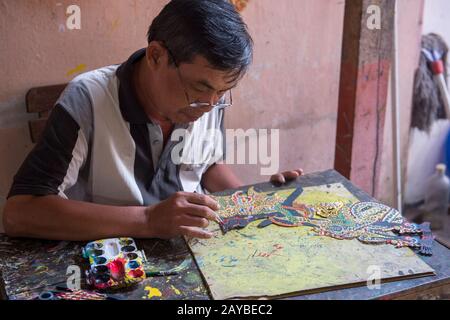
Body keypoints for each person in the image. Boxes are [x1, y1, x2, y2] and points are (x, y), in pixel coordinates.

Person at [3, 0, 302, 241]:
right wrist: (148, 220)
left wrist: (252, 203)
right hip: (112, 258)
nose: (211, 105)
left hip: (187, 247)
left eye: (223, 92)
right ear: (156, 56)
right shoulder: (88, 99)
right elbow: (20, 213)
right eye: (201, 88)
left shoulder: (209, 100)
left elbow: (207, 163)